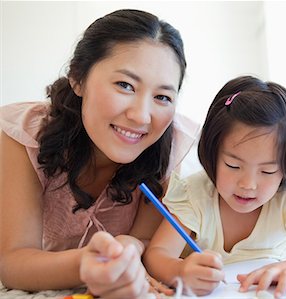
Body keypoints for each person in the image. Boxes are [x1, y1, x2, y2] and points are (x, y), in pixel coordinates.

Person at [0, 9, 199, 298]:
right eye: (125, 85)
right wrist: (85, 263)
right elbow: (13, 260)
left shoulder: (174, 147)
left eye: (162, 97)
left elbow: (143, 240)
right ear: (78, 78)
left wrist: (133, 246)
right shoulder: (23, 136)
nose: (142, 116)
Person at [143, 75, 286, 298]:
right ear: (212, 154)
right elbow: (156, 254)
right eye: (233, 165)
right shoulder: (195, 195)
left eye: (267, 171)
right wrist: (180, 271)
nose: (248, 184)